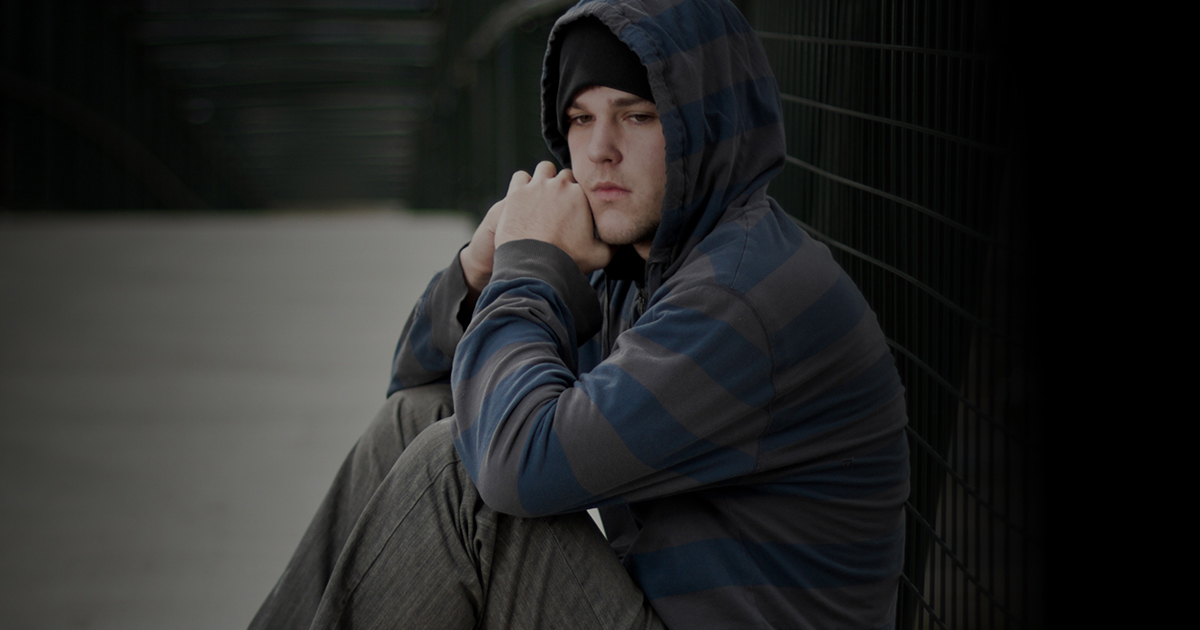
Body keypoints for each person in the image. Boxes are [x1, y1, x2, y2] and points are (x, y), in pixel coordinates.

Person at [250, 0, 910, 628]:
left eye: (639, 115)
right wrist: (478, 267)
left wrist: (532, 266)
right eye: (580, 118)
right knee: (417, 421)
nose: (599, 152)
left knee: (459, 479)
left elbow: (517, 466)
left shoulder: (741, 297)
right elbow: (418, 381)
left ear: (705, 127)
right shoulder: (641, 274)